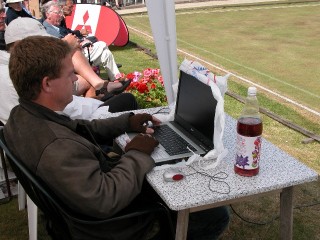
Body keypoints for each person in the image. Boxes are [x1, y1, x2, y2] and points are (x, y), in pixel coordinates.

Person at [4, 35, 230, 240]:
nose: (75, 77)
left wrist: (126, 122)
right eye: (69, 73)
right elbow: (105, 198)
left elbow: (79, 128)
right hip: (112, 228)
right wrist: (136, 153)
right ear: (47, 84)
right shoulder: (57, 148)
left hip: (77, 213)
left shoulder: (22, 116)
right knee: (214, 214)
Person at [0, 17, 138, 124]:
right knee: (127, 100)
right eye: (41, 43)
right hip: (68, 128)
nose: (44, 47)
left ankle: (100, 86)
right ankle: (100, 87)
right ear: (23, 45)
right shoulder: (26, 74)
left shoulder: (12, 67)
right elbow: (62, 111)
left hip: (54, 126)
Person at [42, 1, 122, 81]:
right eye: (58, 13)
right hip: (73, 57)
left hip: (78, 52)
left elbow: (71, 35)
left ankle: (116, 79)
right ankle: (110, 79)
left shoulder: (57, 26)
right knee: (102, 44)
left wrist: (83, 40)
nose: (60, 15)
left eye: (60, 12)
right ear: (47, 14)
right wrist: (82, 43)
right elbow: (63, 46)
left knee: (106, 54)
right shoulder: (48, 30)